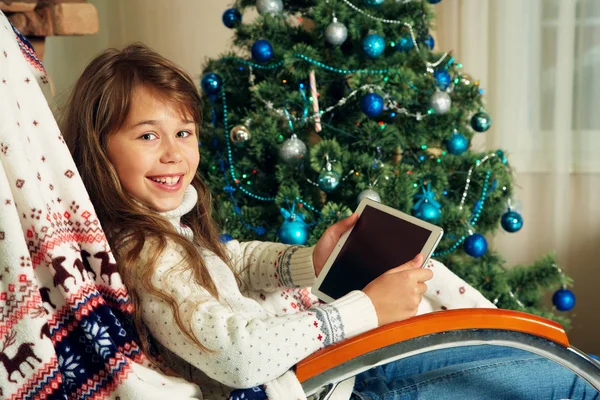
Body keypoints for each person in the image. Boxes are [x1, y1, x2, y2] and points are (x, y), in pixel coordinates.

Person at [61, 43, 599, 400]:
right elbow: (241, 356)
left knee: (567, 366)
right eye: (147, 135)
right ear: (99, 148)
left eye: (184, 133)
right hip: (325, 385)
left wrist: (308, 261)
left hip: (334, 368)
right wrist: (364, 309)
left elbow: (233, 258)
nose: (175, 154)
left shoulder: (168, 226)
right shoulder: (145, 252)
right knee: (571, 381)